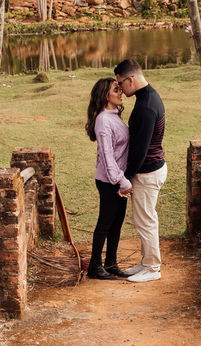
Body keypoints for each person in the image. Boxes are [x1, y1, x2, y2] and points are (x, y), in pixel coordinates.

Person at [114, 58, 166, 284]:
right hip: (151, 168)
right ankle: (146, 263)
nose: (121, 90)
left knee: (145, 221)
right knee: (144, 219)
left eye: (121, 84)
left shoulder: (146, 106)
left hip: (147, 171)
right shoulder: (149, 96)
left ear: (131, 79)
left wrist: (126, 177)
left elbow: (140, 150)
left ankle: (153, 268)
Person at [85, 77, 132, 280]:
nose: (120, 92)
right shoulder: (103, 120)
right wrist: (120, 180)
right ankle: (94, 266)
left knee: (116, 222)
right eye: (116, 90)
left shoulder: (113, 116)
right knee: (105, 223)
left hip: (117, 179)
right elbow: (106, 155)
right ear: (106, 95)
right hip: (108, 181)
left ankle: (110, 263)